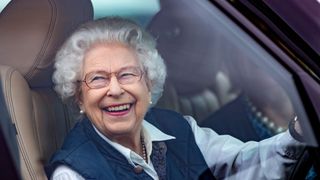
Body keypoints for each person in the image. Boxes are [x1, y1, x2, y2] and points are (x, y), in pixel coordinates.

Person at [45, 17, 305, 180]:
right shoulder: (72, 173)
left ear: (149, 83)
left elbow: (247, 165)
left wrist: (299, 131)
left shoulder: (179, 128)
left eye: (127, 74)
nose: (114, 90)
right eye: (98, 78)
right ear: (79, 96)